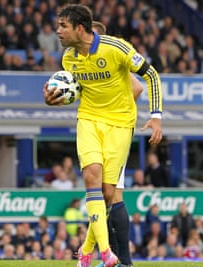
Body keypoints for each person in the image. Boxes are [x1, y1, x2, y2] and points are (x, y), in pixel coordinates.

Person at [43, 5, 163, 267]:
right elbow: (74, 92)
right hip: (88, 120)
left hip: (120, 124)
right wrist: (56, 99)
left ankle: (86, 252)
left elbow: (147, 78)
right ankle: (108, 254)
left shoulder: (117, 49)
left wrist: (156, 117)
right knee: (91, 178)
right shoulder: (68, 59)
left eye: (63, 26)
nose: (58, 31)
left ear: (80, 28)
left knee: (108, 193)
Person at [91, 20, 144, 267]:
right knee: (103, 197)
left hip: (115, 132)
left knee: (112, 195)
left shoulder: (113, 58)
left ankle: (122, 259)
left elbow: (137, 87)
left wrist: (114, 112)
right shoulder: (88, 64)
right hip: (101, 130)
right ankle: (114, 258)